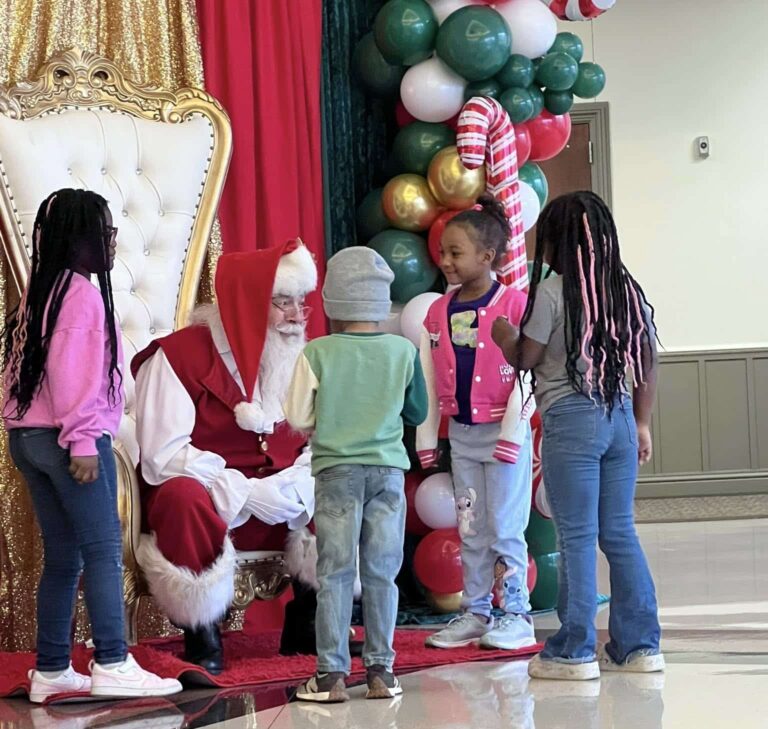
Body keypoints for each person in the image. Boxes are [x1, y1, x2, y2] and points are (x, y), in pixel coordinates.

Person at [2, 189, 182, 702]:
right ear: (78, 240)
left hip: (28, 437)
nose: (111, 240)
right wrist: (83, 440)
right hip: (68, 441)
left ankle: (53, 668)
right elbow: (72, 374)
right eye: (104, 231)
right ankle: (112, 659)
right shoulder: (78, 294)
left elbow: (22, 373)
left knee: (64, 557)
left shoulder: (41, 290)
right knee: (104, 549)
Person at [131, 239, 325, 674]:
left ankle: (310, 620)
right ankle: (202, 634)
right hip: (209, 503)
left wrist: (296, 482)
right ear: (247, 305)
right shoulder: (176, 358)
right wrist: (242, 491)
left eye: (301, 302)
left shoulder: (302, 357)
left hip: (283, 504)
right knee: (180, 496)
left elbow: (324, 438)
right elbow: (163, 455)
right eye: (282, 303)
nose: (296, 316)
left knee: (341, 476)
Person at [491, 191, 663, 681]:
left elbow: (525, 357)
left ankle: (573, 650)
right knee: (620, 533)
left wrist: (504, 332)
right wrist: (643, 422)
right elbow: (648, 361)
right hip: (621, 419)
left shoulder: (551, 294)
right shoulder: (626, 291)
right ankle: (640, 647)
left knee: (577, 537)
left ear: (557, 245)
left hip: (571, 420)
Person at [284, 247, 428, 703]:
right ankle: (382, 672)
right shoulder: (403, 350)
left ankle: (329, 677)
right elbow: (417, 410)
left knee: (336, 572)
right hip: (388, 472)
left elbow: (297, 414)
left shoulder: (318, 351)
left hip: (336, 472)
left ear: (331, 300)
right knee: (383, 572)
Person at [417, 195, 536, 652]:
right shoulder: (437, 312)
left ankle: (516, 614)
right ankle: (476, 611)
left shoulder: (514, 305)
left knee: (506, 525)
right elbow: (428, 377)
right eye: (443, 252)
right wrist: (428, 436)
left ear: (487, 257)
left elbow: (526, 374)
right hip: (463, 435)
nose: (445, 261)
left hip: (503, 435)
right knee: (470, 527)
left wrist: (511, 435)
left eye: (455, 252)